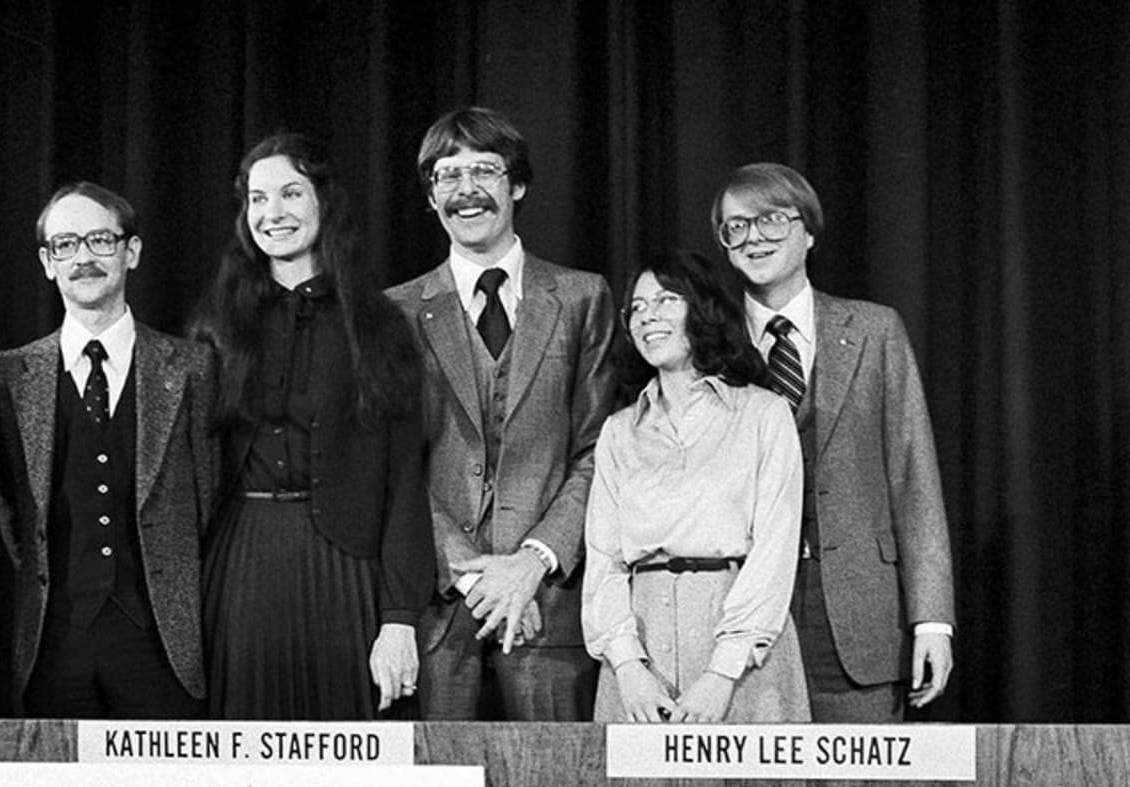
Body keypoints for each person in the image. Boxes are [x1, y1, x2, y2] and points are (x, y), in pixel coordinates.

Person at [386, 106, 618, 722]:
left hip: (548, 603)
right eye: (446, 175)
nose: (466, 190)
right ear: (430, 197)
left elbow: (599, 449)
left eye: (484, 170)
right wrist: (471, 575)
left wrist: (531, 561)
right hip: (440, 607)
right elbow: (394, 465)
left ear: (516, 185)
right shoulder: (396, 311)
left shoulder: (581, 297)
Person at [194, 132, 433, 719]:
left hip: (347, 570)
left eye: (290, 193)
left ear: (324, 202)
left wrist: (400, 619)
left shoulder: (380, 326)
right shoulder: (215, 327)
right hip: (243, 571)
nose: (272, 213)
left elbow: (405, 481)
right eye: (257, 199)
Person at [712, 162, 956, 722]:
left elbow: (914, 479)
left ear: (810, 231)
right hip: (736, 611)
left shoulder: (874, 331)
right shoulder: (708, 339)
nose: (754, 238)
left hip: (855, 618)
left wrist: (932, 620)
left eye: (771, 220)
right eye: (736, 227)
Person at [0, 181, 216, 717]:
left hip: (162, 646)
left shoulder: (192, 368)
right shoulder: (12, 375)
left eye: (99, 240)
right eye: (65, 245)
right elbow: (7, 508)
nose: (83, 258)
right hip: (52, 645)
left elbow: (213, 497)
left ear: (131, 252)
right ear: (47, 262)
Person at [584, 250, 808, 723]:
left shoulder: (764, 415)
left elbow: (776, 548)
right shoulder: (620, 431)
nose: (648, 317)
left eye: (665, 301)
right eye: (638, 308)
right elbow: (603, 560)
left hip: (744, 656)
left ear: (701, 309)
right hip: (641, 657)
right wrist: (628, 667)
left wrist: (722, 674)